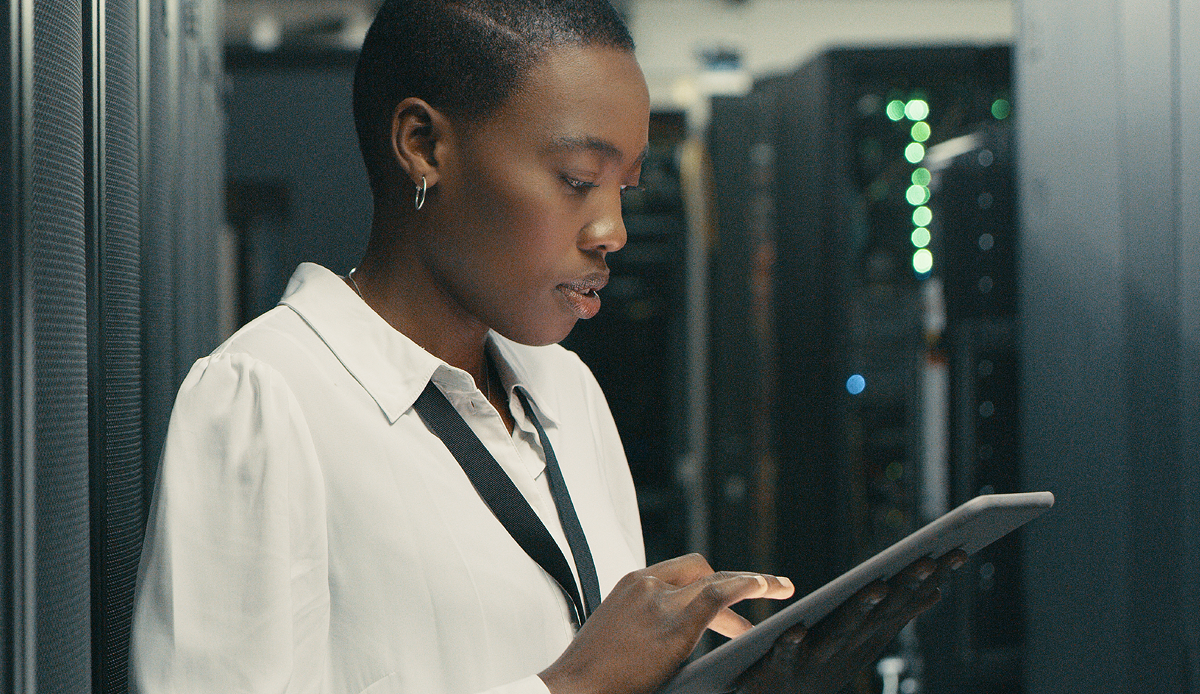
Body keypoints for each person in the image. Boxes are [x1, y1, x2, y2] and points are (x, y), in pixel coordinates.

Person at [131, 1, 961, 692]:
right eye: (575, 180)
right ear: (423, 144)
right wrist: (572, 687)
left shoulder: (563, 389)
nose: (612, 231)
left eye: (624, 189)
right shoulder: (266, 397)